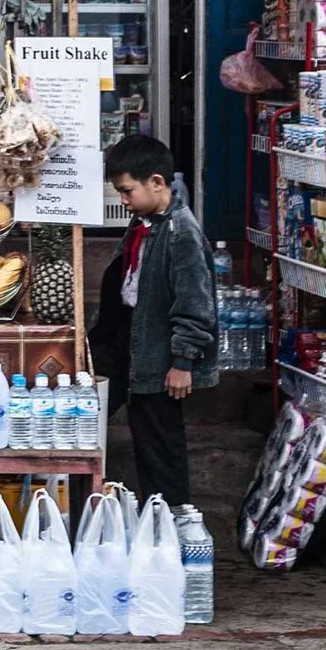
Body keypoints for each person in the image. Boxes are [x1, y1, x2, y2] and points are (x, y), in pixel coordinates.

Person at [95, 134, 218, 510]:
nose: (123, 199)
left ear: (157, 183)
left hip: (158, 354)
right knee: (89, 415)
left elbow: (196, 306)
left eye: (127, 190)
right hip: (125, 340)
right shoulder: (145, 221)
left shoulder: (181, 233)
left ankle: (171, 523)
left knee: (159, 444)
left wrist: (182, 363)